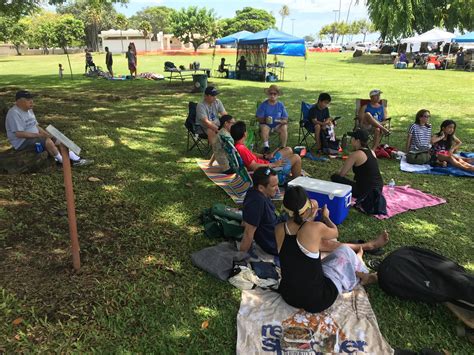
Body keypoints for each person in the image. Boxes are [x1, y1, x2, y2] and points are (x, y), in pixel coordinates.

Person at [240, 167, 390, 256]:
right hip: (277, 242)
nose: (277, 189)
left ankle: (308, 223)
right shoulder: (256, 203)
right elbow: (248, 233)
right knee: (325, 243)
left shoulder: (256, 193)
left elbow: (248, 221)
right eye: (273, 187)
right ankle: (367, 246)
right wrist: (240, 258)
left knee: (314, 204)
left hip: (280, 225)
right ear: (261, 188)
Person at [276, 186, 378, 313]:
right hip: (317, 299)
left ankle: (358, 267)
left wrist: (309, 216)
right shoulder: (315, 228)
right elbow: (335, 233)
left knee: (321, 262)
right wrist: (326, 217)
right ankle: (362, 273)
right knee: (344, 251)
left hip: (289, 295)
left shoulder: (279, 229)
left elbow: (300, 241)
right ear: (307, 205)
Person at [5, 90, 89, 166]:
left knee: (55, 135)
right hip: (22, 142)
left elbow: (35, 125)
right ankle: (62, 161)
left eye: (31, 99)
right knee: (47, 141)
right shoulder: (14, 113)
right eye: (27, 100)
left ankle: (75, 158)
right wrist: (39, 135)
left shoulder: (29, 110)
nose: (31, 102)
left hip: (34, 136)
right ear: (19, 101)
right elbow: (19, 134)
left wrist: (46, 134)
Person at [331, 129, 386, 215]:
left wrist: (337, 172)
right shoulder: (371, 152)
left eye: (352, 138)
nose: (351, 140)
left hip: (366, 191)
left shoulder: (355, 155)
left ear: (357, 141)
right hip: (378, 188)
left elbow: (342, 174)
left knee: (335, 177)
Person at [230, 121, 301, 180]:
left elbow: (251, 154)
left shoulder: (238, 146)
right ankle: (294, 182)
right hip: (267, 172)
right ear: (245, 134)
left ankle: (289, 173)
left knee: (288, 149)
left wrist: (265, 156)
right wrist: (274, 164)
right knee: (296, 157)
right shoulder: (241, 149)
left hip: (267, 164)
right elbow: (254, 167)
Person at [256, 85, 289, 152]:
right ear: (268, 94)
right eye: (271, 93)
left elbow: (285, 118)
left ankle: (283, 147)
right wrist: (265, 119)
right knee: (264, 127)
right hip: (266, 125)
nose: (272, 95)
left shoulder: (280, 105)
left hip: (277, 125)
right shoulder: (263, 105)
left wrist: (283, 121)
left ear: (277, 95)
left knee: (284, 127)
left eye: (275, 94)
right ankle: (266, 147)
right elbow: (259, 118)